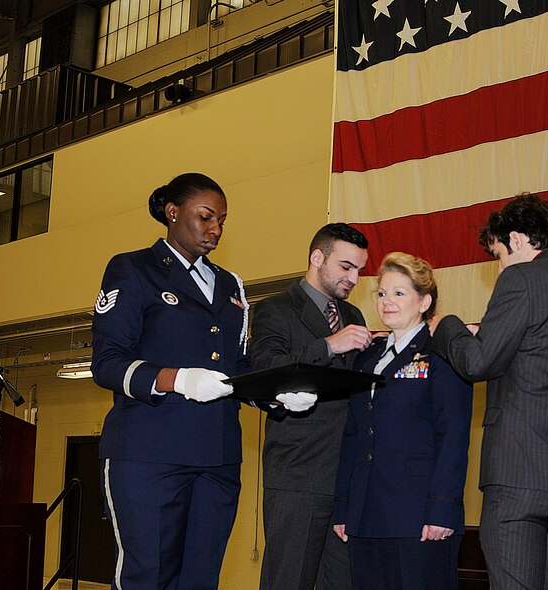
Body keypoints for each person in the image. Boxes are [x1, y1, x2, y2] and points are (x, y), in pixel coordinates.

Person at [429, 194, 548, 590]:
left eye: (498, 254)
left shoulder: (521, 278)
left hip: (517, 471)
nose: (500, 265)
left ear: (518, 239)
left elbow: (477, 363)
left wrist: (447, 326)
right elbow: (537, 354)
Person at [92, 172, 250, 589]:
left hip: (217, 456)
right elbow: (106, 363)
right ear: (172, 212)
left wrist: (277, 393)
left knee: (200, 580)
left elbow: (240, 365)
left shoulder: (230, 285)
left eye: (222, 220)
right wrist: (174, 379)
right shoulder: (134, 269)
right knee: (149, 577)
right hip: (149, 453)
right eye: (205, 217)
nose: (215, 229)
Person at [332, 252, 473, 590]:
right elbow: (353, 434)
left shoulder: (442, 353)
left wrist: (442, 509)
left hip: (418, 515)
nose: (387, 302)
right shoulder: (367, 359)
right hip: (366, 512)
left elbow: (452, 436)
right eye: (381, 293)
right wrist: (343, 507)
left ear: (424, 301)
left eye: (399, 293)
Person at [250, 223, 372, 590]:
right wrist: (329, 346)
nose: (354, 278)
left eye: (360, 271)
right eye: (346, 266)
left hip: (346, 478)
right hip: (298, 475)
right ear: (317, 257)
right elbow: (266, 370)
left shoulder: (354, 317)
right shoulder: (275, 309)